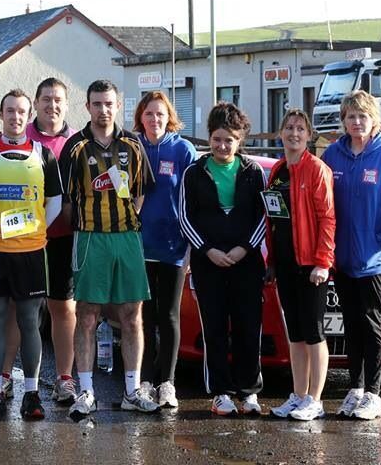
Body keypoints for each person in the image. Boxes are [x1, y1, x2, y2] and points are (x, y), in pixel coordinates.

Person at [61, 80, 159, 421]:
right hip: (91, 238)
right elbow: (67, 202)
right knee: (87, 314)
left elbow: (140, 191)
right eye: (97, 104)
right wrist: (87, 225)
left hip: (127, 238)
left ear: (118, 106)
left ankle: (132, 391)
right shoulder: (75, 147)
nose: (103, 110)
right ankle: (86, 391)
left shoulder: (133, 144)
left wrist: (125, 219)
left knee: (132, 315)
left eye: (109, 103)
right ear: (87, 107)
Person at [0, 89, 62, 420]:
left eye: (21, 111)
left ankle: (31, 394)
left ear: (29, 114)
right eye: (10, 111)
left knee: (30, 321)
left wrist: (36, 230)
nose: (16, 117)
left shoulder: (43, 154)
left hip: (30, 252)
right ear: (1, 114)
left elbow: (55, 202)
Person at [322, 90, 381, 420]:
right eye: (351, 116)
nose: (357, 122)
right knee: (351, 325)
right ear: (343, 120)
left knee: (372, 325)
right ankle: (356, 389)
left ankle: (373, 394)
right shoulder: (333, 155)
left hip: (373, 260)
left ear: (374, 120)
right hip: (342, 259)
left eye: (363, 116)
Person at [178, 102, 267, 416]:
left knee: (248, 327)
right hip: (208, 263)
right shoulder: (194, 172)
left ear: (239, 140)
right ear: (209, 138)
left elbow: (264, 216)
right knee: (214, 329)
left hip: (247, 263)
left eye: (229, 140)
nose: (222, 146)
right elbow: (185, 217)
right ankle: (220, 393)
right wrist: (208, 250)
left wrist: (245, 248)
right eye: (216, 139)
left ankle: (249, 392)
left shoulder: (253, 172)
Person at [0, 78, 78, 404]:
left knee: (63, 307)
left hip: (62, 238)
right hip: (22, 239)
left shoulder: (76, 142)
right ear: (36, 103)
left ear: (66, 105)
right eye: (46, 99)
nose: (52, 105)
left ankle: (64, 379)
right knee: (18, 308)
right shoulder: (21, 137)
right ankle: (4, 377)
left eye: (58, 100)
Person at [266, 109, 336, 421]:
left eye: (300, 129)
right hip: (284, 264)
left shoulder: (317, 170)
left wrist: (322, 262)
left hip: (311, 266)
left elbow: (327, 219)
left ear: (308, 135)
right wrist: (271, 260)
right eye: (289, 128)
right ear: (281, 133)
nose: (294, 133)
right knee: (294, 334)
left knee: (313, 332)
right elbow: (273, 218)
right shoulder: (278, 170)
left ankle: (315, 400)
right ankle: (297, 395)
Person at [133, 90, 196, 409]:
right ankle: (144, 381)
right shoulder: (132, 147)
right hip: (139, 247)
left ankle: (167, 383)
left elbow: (193, 201)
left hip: (174, 248)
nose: (154, 119)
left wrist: (191, 248)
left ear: (169, 117)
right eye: (149, 114)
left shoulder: (183, 150)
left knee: (169, 316)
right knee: (143, 317)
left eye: (160, 114)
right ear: (140, 117)